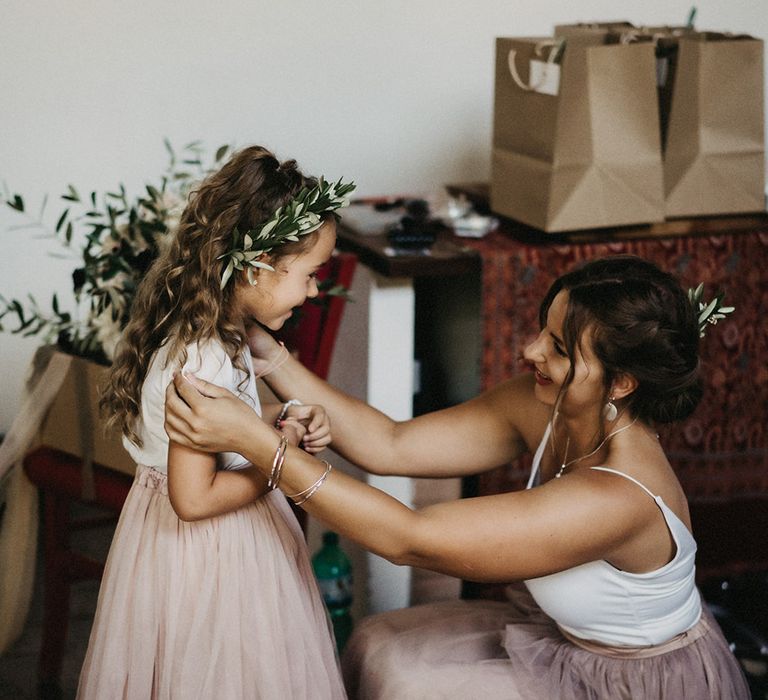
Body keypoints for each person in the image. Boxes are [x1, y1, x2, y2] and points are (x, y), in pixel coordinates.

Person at [164, 255, 749, 699]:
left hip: (630, 683)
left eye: (560, 348)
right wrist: (268, 354)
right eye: (543, 330)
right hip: (562, 638)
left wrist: (255, 441)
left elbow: (409, 538)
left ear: (622, 383)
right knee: (377, 644)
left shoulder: (617, 497)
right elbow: (389, 443)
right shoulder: (546, 404)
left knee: (411, 685)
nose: (530, 350)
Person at [78, 146, 354, 699]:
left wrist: (285, 416)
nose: (314, 290)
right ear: (256, 267)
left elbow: (228, 425)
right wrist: (278, 460)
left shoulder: (218, 335)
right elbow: (194, 497)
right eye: (308, 274)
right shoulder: (201, 359)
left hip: (206, 545)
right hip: (211, 557)